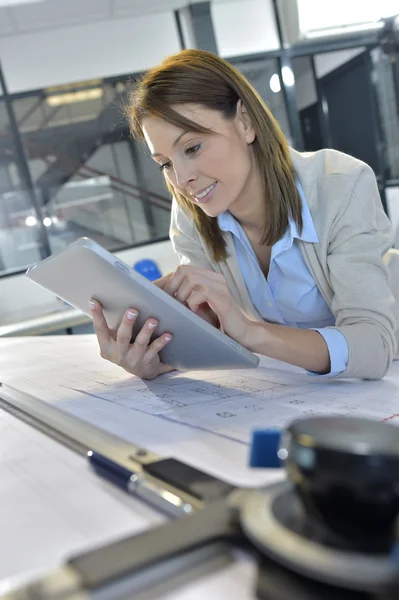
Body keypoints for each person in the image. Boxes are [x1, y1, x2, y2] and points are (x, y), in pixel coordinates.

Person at [89, 49, 396, 381]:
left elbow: (374, 345)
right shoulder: (192, 214)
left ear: (246, 123)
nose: (181, 179)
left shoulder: (339, 185)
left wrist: (251, 333)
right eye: (165, 163)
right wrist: (158, 355)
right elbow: (212, 329)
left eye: (192, 148)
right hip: (297, 386)